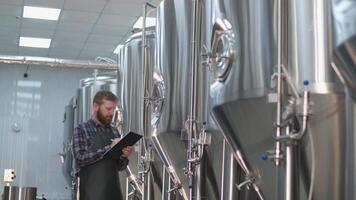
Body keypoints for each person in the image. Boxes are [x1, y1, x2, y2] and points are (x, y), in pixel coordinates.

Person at [72, 90, 132, 200]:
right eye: (108, 109)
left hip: (114, 194)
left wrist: (125, 156)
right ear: (96, 106)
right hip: (91, 195)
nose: (111, 113)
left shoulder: (114, 131)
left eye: (113, 109)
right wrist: (109, 148)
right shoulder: (82, 129)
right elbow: (80, 159)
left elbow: (119, 167)